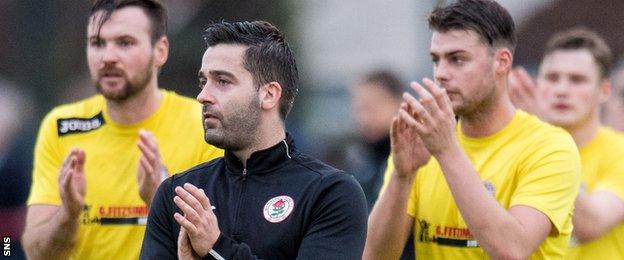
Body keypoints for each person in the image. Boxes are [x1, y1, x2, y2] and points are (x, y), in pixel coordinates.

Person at [364, 0, 581, 259]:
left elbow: (510, 251)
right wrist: (402, 177)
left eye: (457, 59)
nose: (441, 73)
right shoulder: (423, 145)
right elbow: (375, 256)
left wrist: (446, 151)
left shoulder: (550, 147)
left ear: (501, 62)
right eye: (436, 60)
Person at [140, 21, 368, 259]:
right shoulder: (177, 196)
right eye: (203, 82)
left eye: (222, 81)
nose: (203, 96)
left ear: (268, 95)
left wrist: (216, 248)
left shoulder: (329, 193)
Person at [21, 1, 222, 259]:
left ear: (160, 51)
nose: (108, 57)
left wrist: (159, 201)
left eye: (125, 43)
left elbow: (222, 248)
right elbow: (35, 252)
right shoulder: (61, 127)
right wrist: (69, 213)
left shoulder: (203, 125)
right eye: (97, 43)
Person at [509, 27, 624, 259]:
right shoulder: (513, 149)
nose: (561, 90)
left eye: (577, 80)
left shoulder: (619, 151)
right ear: (537, 83)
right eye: (552, 78)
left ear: (604, 90)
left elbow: (590, 224)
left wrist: (544, 132)